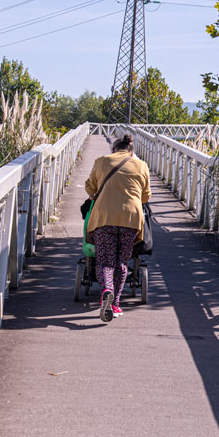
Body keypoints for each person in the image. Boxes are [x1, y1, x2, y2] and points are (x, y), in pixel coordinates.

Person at [84, 134, 151, 322]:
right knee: (122, 261)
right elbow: (146, 196)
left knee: (105, 260)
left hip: (104, 217)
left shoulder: (101, 161)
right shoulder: (141, 165)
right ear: (131, 152)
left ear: (113, 150)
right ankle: (115, 304)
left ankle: (107, 290)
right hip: (131, 218)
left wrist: (96, 195)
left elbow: (90, 188)